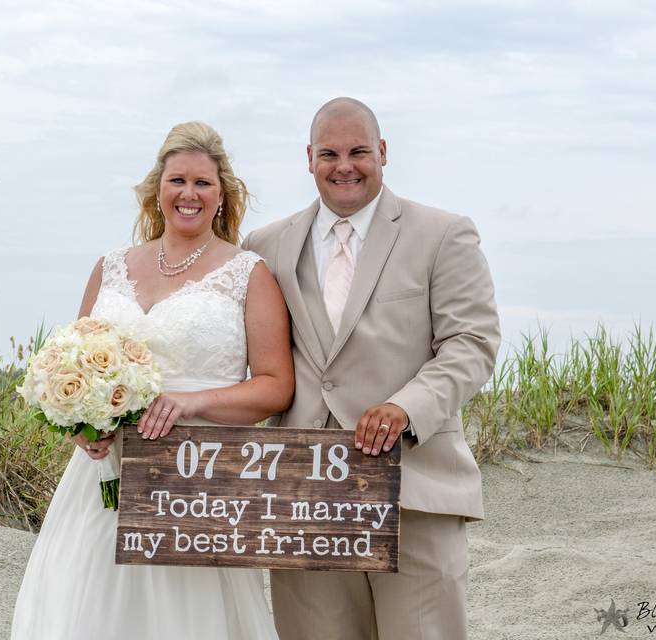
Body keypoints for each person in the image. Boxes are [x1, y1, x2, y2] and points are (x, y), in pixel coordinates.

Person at [10, 121, 294, 639]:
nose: (189, 194)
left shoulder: (247, 273)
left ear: (223, 194)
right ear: (156, 190)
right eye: (177, 181)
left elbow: (275, 386)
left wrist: (190, 402)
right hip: (103, 474)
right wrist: (80, 423)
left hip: (196, 477)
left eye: (203, 183)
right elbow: (68, 358)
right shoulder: (110, 267)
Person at [242, 97, 500, 640]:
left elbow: (472, 344)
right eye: (329, 153)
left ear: (382, 152)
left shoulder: (442, 234)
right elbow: (243, 361)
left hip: (414, 486)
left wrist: (406, 407)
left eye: (359, 151)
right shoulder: (264, 248)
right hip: (303, 494)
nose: (345, 165)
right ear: (308, 158)